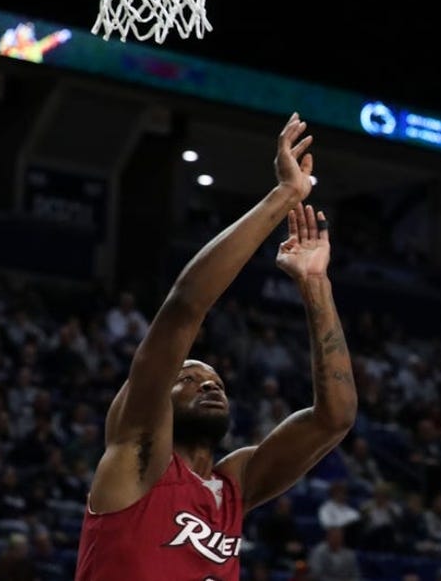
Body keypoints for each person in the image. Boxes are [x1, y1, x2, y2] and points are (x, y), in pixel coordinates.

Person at [75, 114, 359, 580]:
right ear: (154, 401)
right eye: (187, 378)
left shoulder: (234, 485)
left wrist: (315, 285)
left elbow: (335, 418)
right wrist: (284, 196)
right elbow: (185, 307)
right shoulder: (137, 453)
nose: (207, 384)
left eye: (214, 380)